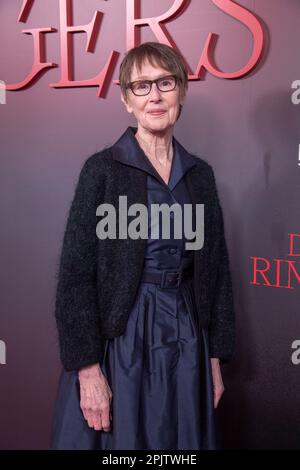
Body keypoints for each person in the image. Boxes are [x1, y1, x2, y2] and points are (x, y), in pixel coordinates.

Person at [50, 41, 235, 450]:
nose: (154, 95)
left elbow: (215, 273)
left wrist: (215, 359)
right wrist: (87, 369)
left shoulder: (200, 176)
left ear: (182, 91)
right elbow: (75, 276)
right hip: (123, 339)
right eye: (141, 86)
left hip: (188, 338)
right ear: (125, 100)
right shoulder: (101, 171)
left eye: (165, 83)